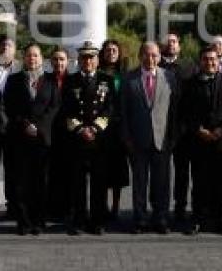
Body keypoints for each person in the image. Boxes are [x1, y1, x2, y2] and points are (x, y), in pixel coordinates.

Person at [179, 47, 222, 235]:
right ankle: (197, 219)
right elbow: (184, 110)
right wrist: (198, 129)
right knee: (199, 183)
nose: (210, 62)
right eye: (206, 59)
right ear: (200, 62)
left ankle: (221, 219)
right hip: (199, 142)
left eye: (213, 59)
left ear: (219, 61)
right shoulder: (190, 84)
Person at [119, 41, 179, 234]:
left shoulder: (170, 77)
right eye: (146, 54)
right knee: (139, 183)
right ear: (140, 56)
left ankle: (161, 218)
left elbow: (175, 111)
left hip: (162, 140)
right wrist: (127, 138)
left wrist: (172, 138)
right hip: (137, 141)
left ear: (159, 57)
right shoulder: (128, 79)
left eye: (154, 55)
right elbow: (123, 112)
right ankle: (140, 219)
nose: (150, 58)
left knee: (162, 183)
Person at [4, 43, 61, 235]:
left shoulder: (51, 80)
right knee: (21, 182)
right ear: (24, 58)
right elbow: (10, 107)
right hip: (20, 138)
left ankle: (39, 221)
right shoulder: (13, 80)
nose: (32, 59)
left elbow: (54, 107)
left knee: (41, 182)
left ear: (41, 58)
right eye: (29, 55)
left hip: (43, 139)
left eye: (36, 56)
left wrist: (39, 126)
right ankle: (23, 221)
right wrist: (25, 124)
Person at [61, 41, 114, 235]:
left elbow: (109, 109)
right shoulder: (70, 81)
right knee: (78, 183)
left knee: (99, 183)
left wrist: (95, 129)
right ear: (79, 60)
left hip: (99, 140)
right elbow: (66, 109)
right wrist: (81, 129)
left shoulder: (106, 80)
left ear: (97, 59)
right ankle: (78, 220)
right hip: (77, 139)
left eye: (91, 57)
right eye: (84, 57)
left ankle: (97, 221)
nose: (88, 61)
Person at [160, 32, 196, 223]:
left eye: (174, 41)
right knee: (161, 171)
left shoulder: (190, 66)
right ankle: (161, 208)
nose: (171, 44)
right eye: (167, 42)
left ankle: (180, 207)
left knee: (182, 171)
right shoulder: (155, 65)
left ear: (179, 46)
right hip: (161, 128)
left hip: (183, 129)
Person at [0, 34, 20, 220]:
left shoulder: (21, 71)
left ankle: (12, 206)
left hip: (13, 130)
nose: (5, 49)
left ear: (15, 50)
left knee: (13, 170)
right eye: (1, 46)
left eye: (9, 46)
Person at [99, 39, 130, 222]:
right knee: (101, 168)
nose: (111, 52)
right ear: (103, 53)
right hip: (103, 127)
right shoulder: (99, 74)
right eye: (108, 50)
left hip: (120, 128)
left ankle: (116, 207)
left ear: (119, 53)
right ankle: (101, 205)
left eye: (114, 50)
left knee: (118, 170)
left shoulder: (125, 75)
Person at [46, 47, 72, 220]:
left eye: (62, 59)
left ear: (68, 61)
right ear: (50, 62)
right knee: (51, 173)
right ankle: (52, 209)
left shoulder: (73, 80)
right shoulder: (44, 80)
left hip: (69, 134)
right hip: (48, 133)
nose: (59, 63)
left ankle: (68, 209)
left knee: (68, 173)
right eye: (55, 59)